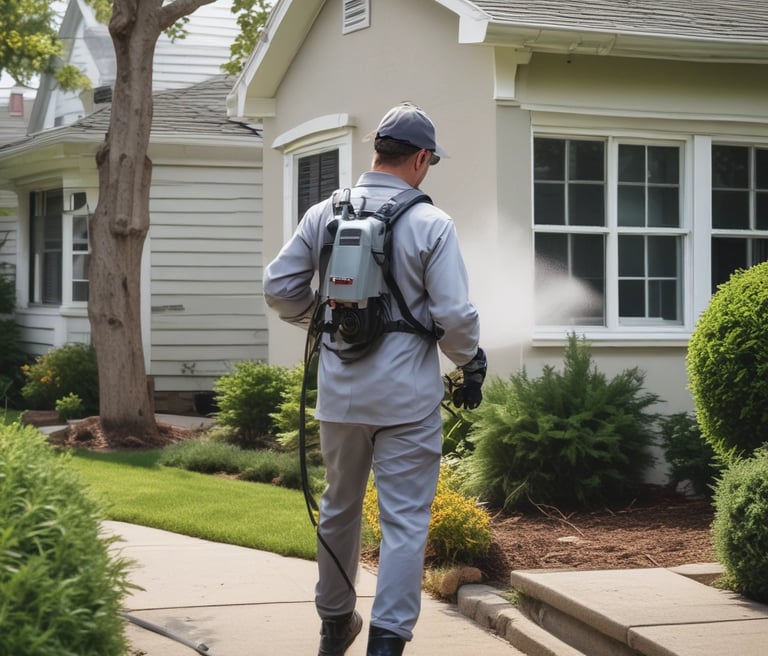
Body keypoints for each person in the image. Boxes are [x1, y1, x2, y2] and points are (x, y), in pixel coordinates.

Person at [263, 102, 486, 656]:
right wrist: (468, 362)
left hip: (340, 396)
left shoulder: (324, 213)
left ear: (376, 152)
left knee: (339, 507)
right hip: (406, 401)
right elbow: (456, 317)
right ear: (421, 158)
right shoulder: (432, 223)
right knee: (405, 520)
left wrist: (322, 319)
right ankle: (386, 644)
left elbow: (278, 288)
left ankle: (334, 622)